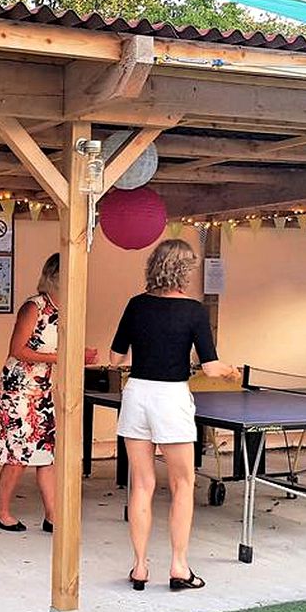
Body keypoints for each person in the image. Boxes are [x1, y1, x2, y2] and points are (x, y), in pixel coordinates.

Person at [109, 239, 238, 593]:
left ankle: (139, 567)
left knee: (142, 484)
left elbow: (115, 358)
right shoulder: (194, 311)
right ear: (186, 272)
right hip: (171, 397)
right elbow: (210, 369)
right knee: (182, 485)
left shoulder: (136, 306)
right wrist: (230, 371)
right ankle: (179, 567)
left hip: (136, 394)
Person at [0, 254, 96, 533]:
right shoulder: (34, 307)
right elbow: (18, 349)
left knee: (45, 455)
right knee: (18, 455)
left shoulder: (66, 309)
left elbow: (61, 350)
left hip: (42, 392)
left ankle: (53, 515)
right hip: (17, 391)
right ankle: (2, 512)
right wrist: (64, 357)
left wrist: (78, 354)